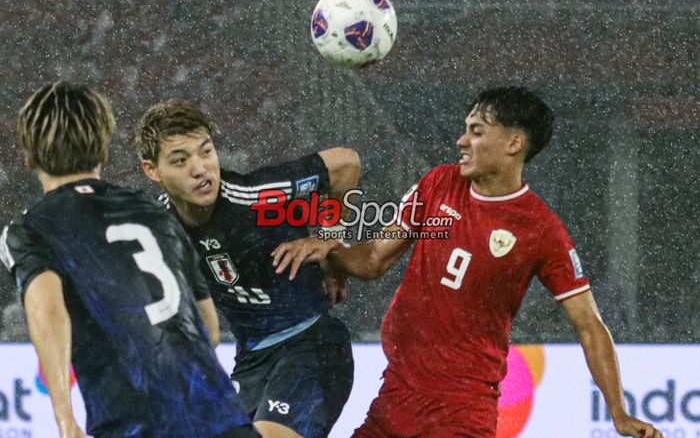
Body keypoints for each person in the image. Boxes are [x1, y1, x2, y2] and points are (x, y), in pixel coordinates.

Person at [271, 86, 664, 438]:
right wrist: (332, 251)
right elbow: (374, 259)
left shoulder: (541, 230)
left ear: (514, 143)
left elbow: (589, 325)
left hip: (460, 411)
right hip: (395, 397)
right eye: (465, 128)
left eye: (477, 131)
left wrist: (619, 412)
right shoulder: (438, 183)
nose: (462, 140)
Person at [0, 82, 258, 438]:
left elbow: (47, 312)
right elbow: (208, 328)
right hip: (224, 420)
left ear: (28, 158)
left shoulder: (30, 229)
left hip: (136, 425)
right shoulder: (154, 211)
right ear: (103, 153)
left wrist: (65, 417)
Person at [133, 99, 359, 438]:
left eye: (206, 152)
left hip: (313, 346)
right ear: (152, 171)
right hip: (252, 362)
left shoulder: (255, 195)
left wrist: (332, 245)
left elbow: (346, 163)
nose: (200, 168)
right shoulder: (155, 224)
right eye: (181, 160)